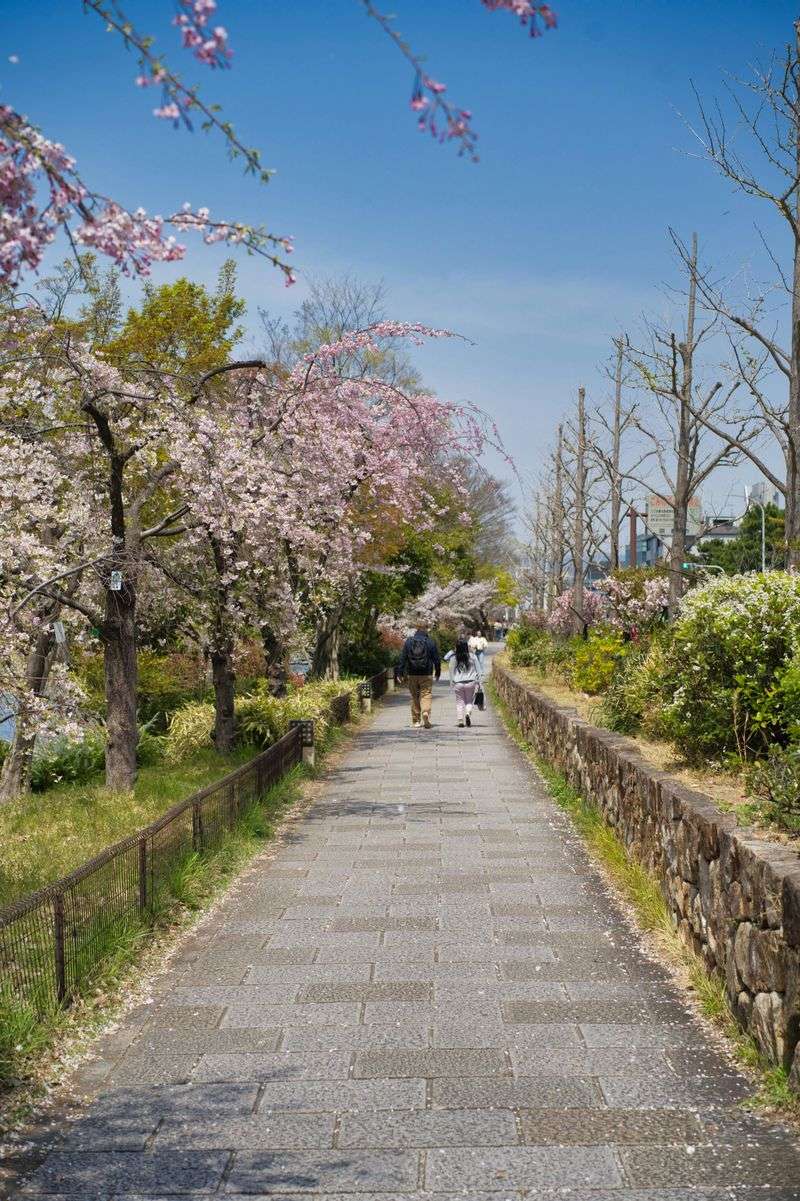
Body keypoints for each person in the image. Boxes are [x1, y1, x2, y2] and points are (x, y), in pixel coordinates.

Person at [397, 619, 441, 729]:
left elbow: (403, 658)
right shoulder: (430, 642)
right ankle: (425, 712)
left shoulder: (409, 641)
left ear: (416, 629)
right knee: (426, 694)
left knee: (414, 696)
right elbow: (436, 659)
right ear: (426, 629)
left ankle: (416, 721)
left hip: (412, 673)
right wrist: (438, 672)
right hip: (426, 673)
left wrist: (399, 673)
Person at [444, 637, 483, 728]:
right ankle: (468, 713)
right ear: (466, 646)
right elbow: (479, 671)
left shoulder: (454, 657)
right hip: (471, 682)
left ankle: (460, 720)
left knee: (459, 702)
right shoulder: (472, 656)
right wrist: (479, 682)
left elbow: (445, 658)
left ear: (457, 647)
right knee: (469, 701)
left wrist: (453, 650)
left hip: (458, 683)